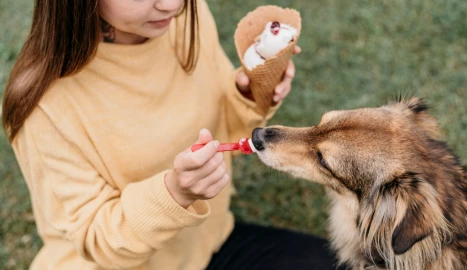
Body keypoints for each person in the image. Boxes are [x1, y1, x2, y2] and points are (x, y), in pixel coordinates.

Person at [2, 0, 340, 269]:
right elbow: (98, 242)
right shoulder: (44, 105)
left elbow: (222, 125)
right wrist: (175, 194)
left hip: (210, 246)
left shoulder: (183, 19)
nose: (170, 4)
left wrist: (248, 93)